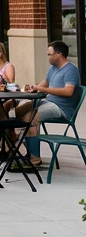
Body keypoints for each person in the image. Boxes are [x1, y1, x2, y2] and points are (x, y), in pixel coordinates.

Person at [13, 40, 82, 171]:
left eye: (50, 54)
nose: (48, 56)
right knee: (17, 112)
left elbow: (68, 91)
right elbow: (43, 84)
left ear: (59, 54)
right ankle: (14, 143)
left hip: (61, 108)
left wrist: (44, 90)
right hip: (49, 102)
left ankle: (34, 159)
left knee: (30, 118)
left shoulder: (70, 70)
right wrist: (34, 87)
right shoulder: (53, 69)